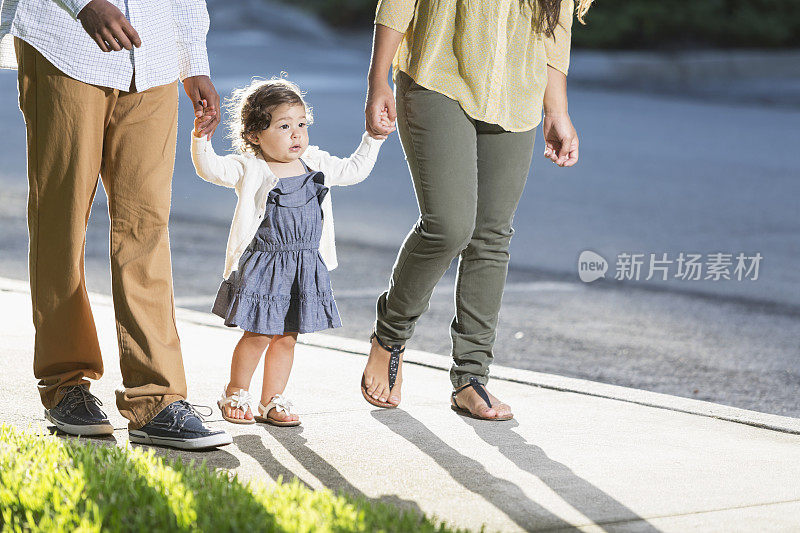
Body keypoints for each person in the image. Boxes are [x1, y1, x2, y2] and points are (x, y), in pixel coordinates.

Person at [0, 0, 232, 449]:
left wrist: (193, 62)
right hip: (64, 43)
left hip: (155, 56)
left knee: (147, 226)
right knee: (61, 221)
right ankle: (65, 383)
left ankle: (156, 399)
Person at [361, 0, 592, 420]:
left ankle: (471, 377)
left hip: (517, 92)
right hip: (437, 74)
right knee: (448, 225)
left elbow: (555, 25)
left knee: (492, 235)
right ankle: (390, 336)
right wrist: (378, 78)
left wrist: (556, 110)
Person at [190, 78, 389, 426]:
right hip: (265, 265)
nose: (296, 134)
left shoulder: (314, 163)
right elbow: (211, 169)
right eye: (284, 126)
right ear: (254, 135)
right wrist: (201, 138)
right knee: (259, 334)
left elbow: (354, 170)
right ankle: (235, 392)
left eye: (301, 125)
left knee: (287, 337)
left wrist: (374, 138)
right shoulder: (250, 168)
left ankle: (273, 400)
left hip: (302, 265)